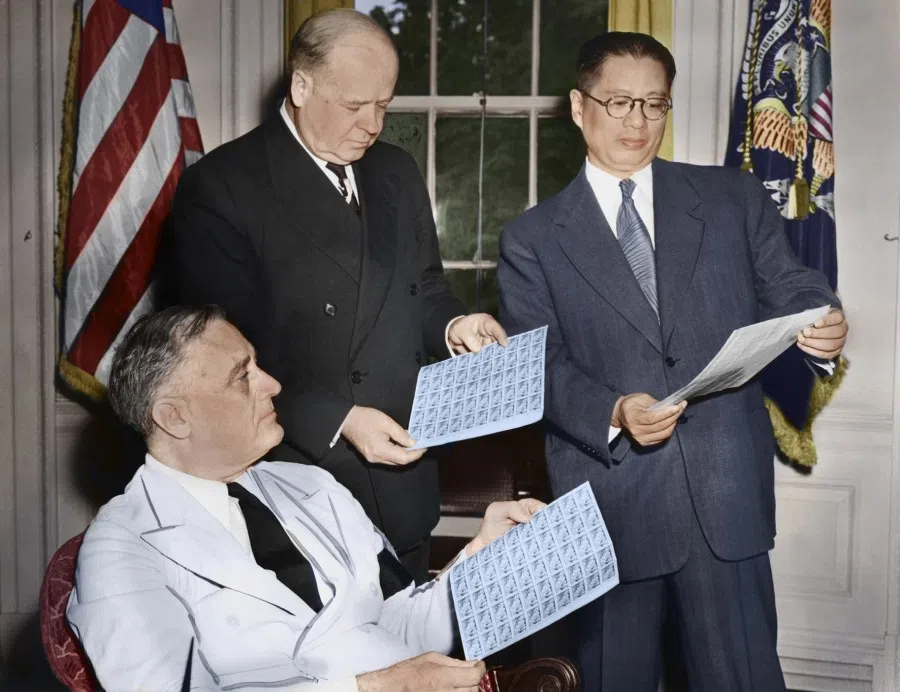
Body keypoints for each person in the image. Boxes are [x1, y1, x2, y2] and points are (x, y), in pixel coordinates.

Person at [497, 32, 848, 692]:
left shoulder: (733, 198)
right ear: (578, 107)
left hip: (726, 498)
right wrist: (614, 411)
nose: (637, 121)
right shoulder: (532, 239)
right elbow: (537, 366)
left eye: (654, 104)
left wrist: (823, 316)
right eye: (619, 102)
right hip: (610, 508)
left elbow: (792, 284)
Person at [165, 8, 506, 582]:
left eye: (383, 105)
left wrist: (454, 327)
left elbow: (424, 287)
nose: (372, 125)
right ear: (301, 87)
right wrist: (339, 419)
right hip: (297, 491)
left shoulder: (396, 172)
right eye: (353, 106)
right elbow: (218, 361)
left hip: (403, 481)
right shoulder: (221, 186)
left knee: (412, 634)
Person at [67, 305, 540, 691]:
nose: (272, 384)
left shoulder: (312, 485)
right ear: (174, 417)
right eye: (242, 376)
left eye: (257, 364)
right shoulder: (122, 548)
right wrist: (375, 687)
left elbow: (400, 627)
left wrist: (484, 557)